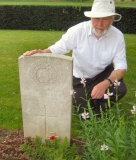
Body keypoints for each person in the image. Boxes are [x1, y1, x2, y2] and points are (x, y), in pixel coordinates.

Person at [23, 0, 127, 115]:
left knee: (120, 89)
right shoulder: (77, 31)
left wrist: (105, 83)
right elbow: (59, 48)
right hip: (81, 78)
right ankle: (94, 105)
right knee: (82, 112)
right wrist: (42, 52)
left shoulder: (118, 36)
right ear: (91, 18)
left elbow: (121, 67)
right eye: (96, 18)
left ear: (112, 20)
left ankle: (100, 110)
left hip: (104, 74)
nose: (100, 24)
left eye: (105, 19)